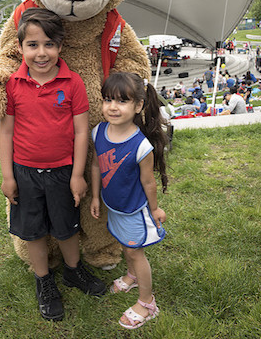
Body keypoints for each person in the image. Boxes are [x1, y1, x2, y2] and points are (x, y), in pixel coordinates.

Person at [0, 8, 106, 322]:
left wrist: (76, 175)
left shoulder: (71, 83)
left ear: (60, 46)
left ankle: (73, 272)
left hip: (62, 172)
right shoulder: (13, 84)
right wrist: (8, 176)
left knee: (66, 227)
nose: (41, 52)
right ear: (20, 48)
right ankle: (44, 281)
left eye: (49, 44)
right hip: (25, 173)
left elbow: (82, 130)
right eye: (33, 45)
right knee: (32, 232)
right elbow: (5, 131)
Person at [90, 72, 167, 330]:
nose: (113, 107)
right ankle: (132, 276)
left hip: (135, 210)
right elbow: (96, 165)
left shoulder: (141, 146)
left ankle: (147, 303)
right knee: (125, 243)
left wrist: (155, 209)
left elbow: (148, 182)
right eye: (108, 99)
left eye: (122, 101)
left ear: (138, 106)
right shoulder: (98, 131)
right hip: (114, 206)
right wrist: (95, 196)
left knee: (135, 251)